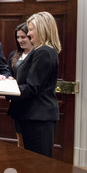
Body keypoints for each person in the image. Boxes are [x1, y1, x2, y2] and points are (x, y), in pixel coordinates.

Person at [8, 12, 61, 157]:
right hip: (33, 117)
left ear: (42, 29)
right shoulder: (42, 51)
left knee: (38, 165)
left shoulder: (43, 52)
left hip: (38, 117)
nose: (29, 33)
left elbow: (32, 87)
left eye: (31, 29)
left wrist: (6, 90)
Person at [7, 22, 34, 147]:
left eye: (23, 37)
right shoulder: (14, 55)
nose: (20, 40)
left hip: (33, 105)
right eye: (18, 38)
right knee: (20, 141)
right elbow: (10, 74)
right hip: (17, 104)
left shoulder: (39, 54)